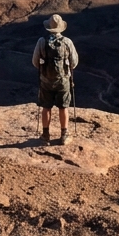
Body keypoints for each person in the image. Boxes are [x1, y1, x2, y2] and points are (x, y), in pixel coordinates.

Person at [31, 14, 78, 145]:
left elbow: (35, 61)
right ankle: (64, 135)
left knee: (46, 107)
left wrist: (43, 68)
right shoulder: (67, 42)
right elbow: (74, 62)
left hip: (46, 79)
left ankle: (45, 134)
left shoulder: (42, 41)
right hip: (63, 79)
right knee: (63, 107)